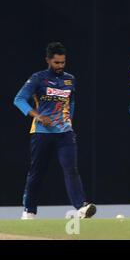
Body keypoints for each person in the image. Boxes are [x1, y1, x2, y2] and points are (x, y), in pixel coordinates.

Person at [13, 42, 96, 220]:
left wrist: (69, 123)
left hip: (65, 134)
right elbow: (19, 100)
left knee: (71, 169)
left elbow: (71, 102)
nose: (60, 66)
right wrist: (38, 116)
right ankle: (29, 211)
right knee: (37, 172)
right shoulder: (38, 78)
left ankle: (81, 207)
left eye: (63, 63)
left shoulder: (70, 79)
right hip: (42, 133)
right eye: (56, 62)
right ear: (48, 60)